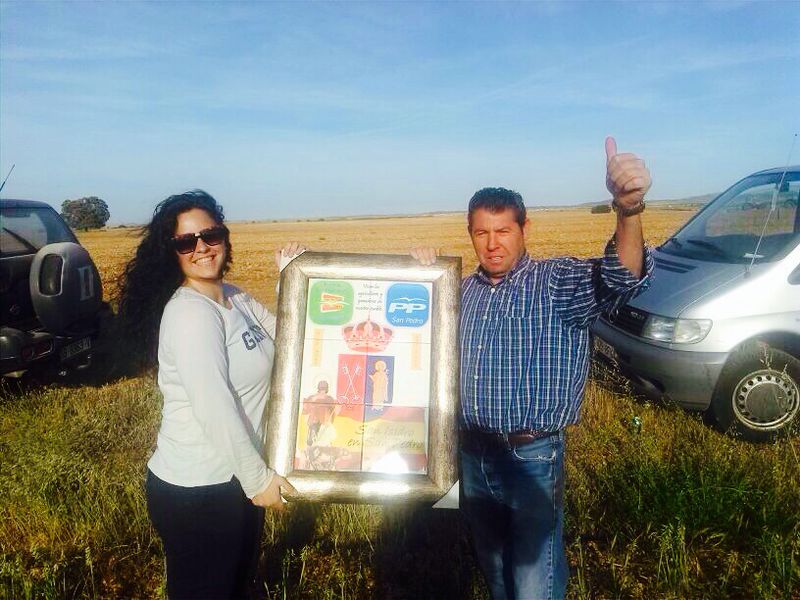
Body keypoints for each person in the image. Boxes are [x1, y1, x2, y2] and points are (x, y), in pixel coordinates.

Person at [412, 137, 654, 600]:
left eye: (503, 231)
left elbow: (623, 276)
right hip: (472, 455)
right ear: (470, 234)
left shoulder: (555, 281)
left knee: (533, 581)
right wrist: (420, 277)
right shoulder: (459, 292)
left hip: (532, 457)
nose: (492, 243)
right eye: (481, 233)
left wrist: (629, 211)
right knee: (496, 571)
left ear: (525, 229)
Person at [116, 190, 303, 599]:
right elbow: (214, 407)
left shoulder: (234, 297)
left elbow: (291, 337)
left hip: (233, 479)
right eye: (186, 241)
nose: (201, 247)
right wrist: (258, 481)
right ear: (173, 252)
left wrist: (293, 280)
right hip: (198, 491)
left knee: (234, 587)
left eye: (210, 235)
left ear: (224, 236)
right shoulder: (190, 314)